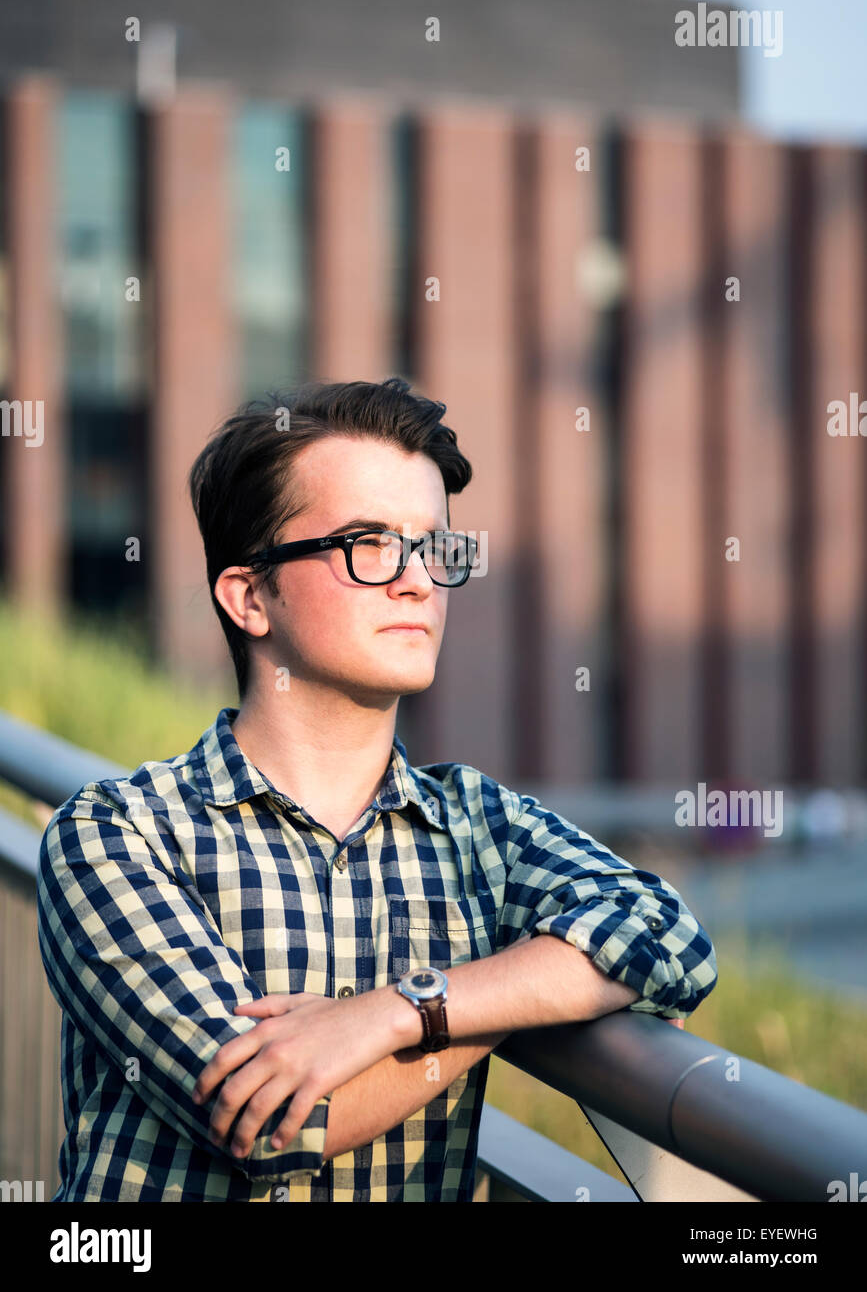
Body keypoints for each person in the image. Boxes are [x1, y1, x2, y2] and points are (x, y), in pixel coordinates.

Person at [36, 376, 717, 1202]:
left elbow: (666, 936)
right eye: (369, 545)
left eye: (433, 547)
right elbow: (271, 1127)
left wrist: (399, 1011)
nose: (418, 583)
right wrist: (507, 996)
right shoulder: (117, 833)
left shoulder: (475, 822)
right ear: (250, 596)